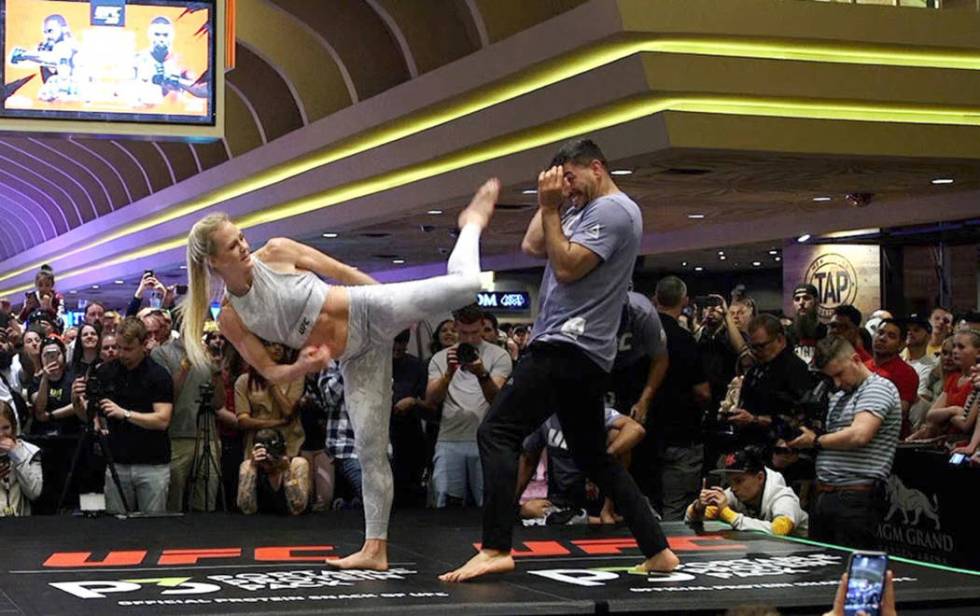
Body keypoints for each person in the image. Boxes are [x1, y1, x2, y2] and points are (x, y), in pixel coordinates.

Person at [182, 178, 497, 570]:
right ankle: (374, 549)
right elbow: (268, 369)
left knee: (467, 287)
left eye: (242, 237)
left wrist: (394, 304)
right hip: (355, 357)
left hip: (369, 308)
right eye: (233, 245)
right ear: (213, 262)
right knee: (371, 451)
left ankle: (471, 223)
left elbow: (342, 271)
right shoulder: (231, 316)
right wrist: (303, 366)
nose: (244, 247)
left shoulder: (278, 251)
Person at [441, 139, 676, 582]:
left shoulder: (614, 211)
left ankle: (495, 547)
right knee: (592, 455)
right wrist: (551, 200)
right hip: (579, 352)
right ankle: (658, 550)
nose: (568, 188)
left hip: (566, 346)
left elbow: (566, 267)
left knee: (497, 431)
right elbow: (533, 246)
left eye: (573, 178)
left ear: (598, 168)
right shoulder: (578, 208)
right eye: (561, 180)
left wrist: (554, 208)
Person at [788, 336, 901, 549]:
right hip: (824, 494)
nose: (838, 382)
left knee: (854, 569)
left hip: (856, 496)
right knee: (819, 570)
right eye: (832, 377)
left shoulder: (877, 388)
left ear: (856, 359)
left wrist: (815, 441)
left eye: (840, 374)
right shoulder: (839, 395)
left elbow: (859, 435)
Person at [72, 317, 174, 514]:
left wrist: (125, 414)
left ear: (144, 345)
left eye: (128, 349)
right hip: (117, 461)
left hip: (152, 464)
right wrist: (76, 399)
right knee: (116, 527)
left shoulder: (158, 375)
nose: (121, 354)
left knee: (152, 526)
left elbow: (163, 420)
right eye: (119, 347)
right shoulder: (107, 371)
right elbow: (87, 416)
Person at [425, 304, 512, 507]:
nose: (470, 339)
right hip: (449, 439)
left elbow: (497, 401)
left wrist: (482, 373)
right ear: (456, 327)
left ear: (483, 325)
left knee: (487, 504)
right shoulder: (441, 358)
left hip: (484, 442)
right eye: (464, 333)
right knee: (445, 503)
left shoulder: (499, 356)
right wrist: (448, 373)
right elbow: (431, 399)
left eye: (474, 332)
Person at [641, 277, 710, 519]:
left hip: (642, 433)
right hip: (681, 435)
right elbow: (702, 391)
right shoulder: (684, 339)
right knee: (677, 511)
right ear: (685, 301)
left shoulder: (637, 336)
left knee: (644, 505)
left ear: (655, 300)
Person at [519, 407, 645, 525]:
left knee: (617, 435)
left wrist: (603, 459)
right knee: (529, 510)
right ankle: (588, 519)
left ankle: (608, 511)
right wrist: (513, 505)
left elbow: (636, 430)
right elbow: (528, 460)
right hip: (566, 497)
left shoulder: (597, 412)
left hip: (601, 491)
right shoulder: (545, 417)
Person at [724, 314, 813, 450]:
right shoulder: (757, 367)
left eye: (761, 346)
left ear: (780, 340)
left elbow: (798, 418)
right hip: (749, 443)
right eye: (753, 347)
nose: (756, 352)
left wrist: (754, 419)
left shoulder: (795, 368)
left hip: (779, 447)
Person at [685, 446, 808, 537]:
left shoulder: (783, 497)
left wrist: (728, 514)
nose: (733, 488)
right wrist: (699, 508)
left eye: (738, 481)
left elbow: (779, 530)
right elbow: (694, 519)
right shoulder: (734, 494)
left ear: (760, 477)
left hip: (801, 557)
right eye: (730, 482)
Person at [235, 342, 305, 459]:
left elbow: (288, 410)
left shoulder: (295, 376)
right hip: (256, 449)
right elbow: (243, 421)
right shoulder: (244, 381)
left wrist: (271, 383)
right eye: (271, 344)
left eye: (280, 344)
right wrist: (277, 423)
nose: (278, 348)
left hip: (289, 447)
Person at [908, 329, 980, 440]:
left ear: (978, 353)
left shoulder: (976, 381)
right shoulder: (953, 378)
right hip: (945, 440)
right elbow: (930, 415)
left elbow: (965, 424)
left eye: (961, 347)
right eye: (954, 346)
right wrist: (953, 410)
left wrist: (943, 416)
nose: (955, 351)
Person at [390, 329, 429, 507]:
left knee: (410, 485)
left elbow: (428, 402)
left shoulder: (416, 366)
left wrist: (412, 401)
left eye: (402, 344)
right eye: (394, 344)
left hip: (410, 432)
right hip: (383, 430)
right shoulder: (377, 364)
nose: (397, 348)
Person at [132, 16, 208, 105]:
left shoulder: (182, 62)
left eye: (165, 35)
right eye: (157, 34)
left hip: (176, 115)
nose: (161, 39)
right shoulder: (136, 60)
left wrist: (175, 82)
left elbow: (198, 94)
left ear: (172, 36)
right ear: (149, 35)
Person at [237, 428, 310, 516]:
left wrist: (287, 471)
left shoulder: (297, 464)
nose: (269, 458)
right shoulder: (248, 466)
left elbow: (298, 508)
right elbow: (246, 508)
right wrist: (252, 469)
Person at [866, 319, 919, 439]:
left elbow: (900, 412)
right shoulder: (863, 367)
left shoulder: (907, 373)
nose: (882, 338)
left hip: (887, 437)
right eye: (880, 333)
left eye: (891, 336)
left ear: (901, 345)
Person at [0, 401, 43, 516]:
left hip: (20, 525)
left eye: (6, 428)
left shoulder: (29, 452)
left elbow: (34, 493)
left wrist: (18, 457)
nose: (1, 434)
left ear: (13, 426)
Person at [788, 283, 827, 364]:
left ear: (816, 301)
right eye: (797, 299)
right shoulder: (786, 333)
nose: (801, 303)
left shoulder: (826, 332)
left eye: (806, 298)